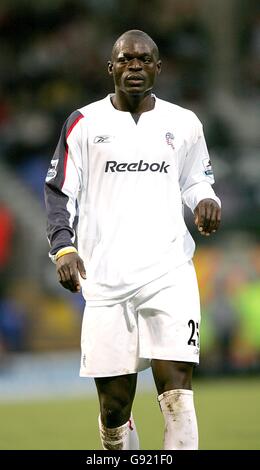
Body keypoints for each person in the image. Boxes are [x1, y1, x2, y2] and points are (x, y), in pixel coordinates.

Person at [44, 29, 221, 450]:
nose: (135, 66)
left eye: (144, 59)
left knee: (177, 394)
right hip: (105, 279)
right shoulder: (84, 123)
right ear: (111, 68)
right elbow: (58, 191)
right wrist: (63, 247)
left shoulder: (184, 123)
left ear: (159, 67)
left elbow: (196, 179)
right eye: (125, 59)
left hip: (170, 272)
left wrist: (206, 199)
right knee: (114, 410)